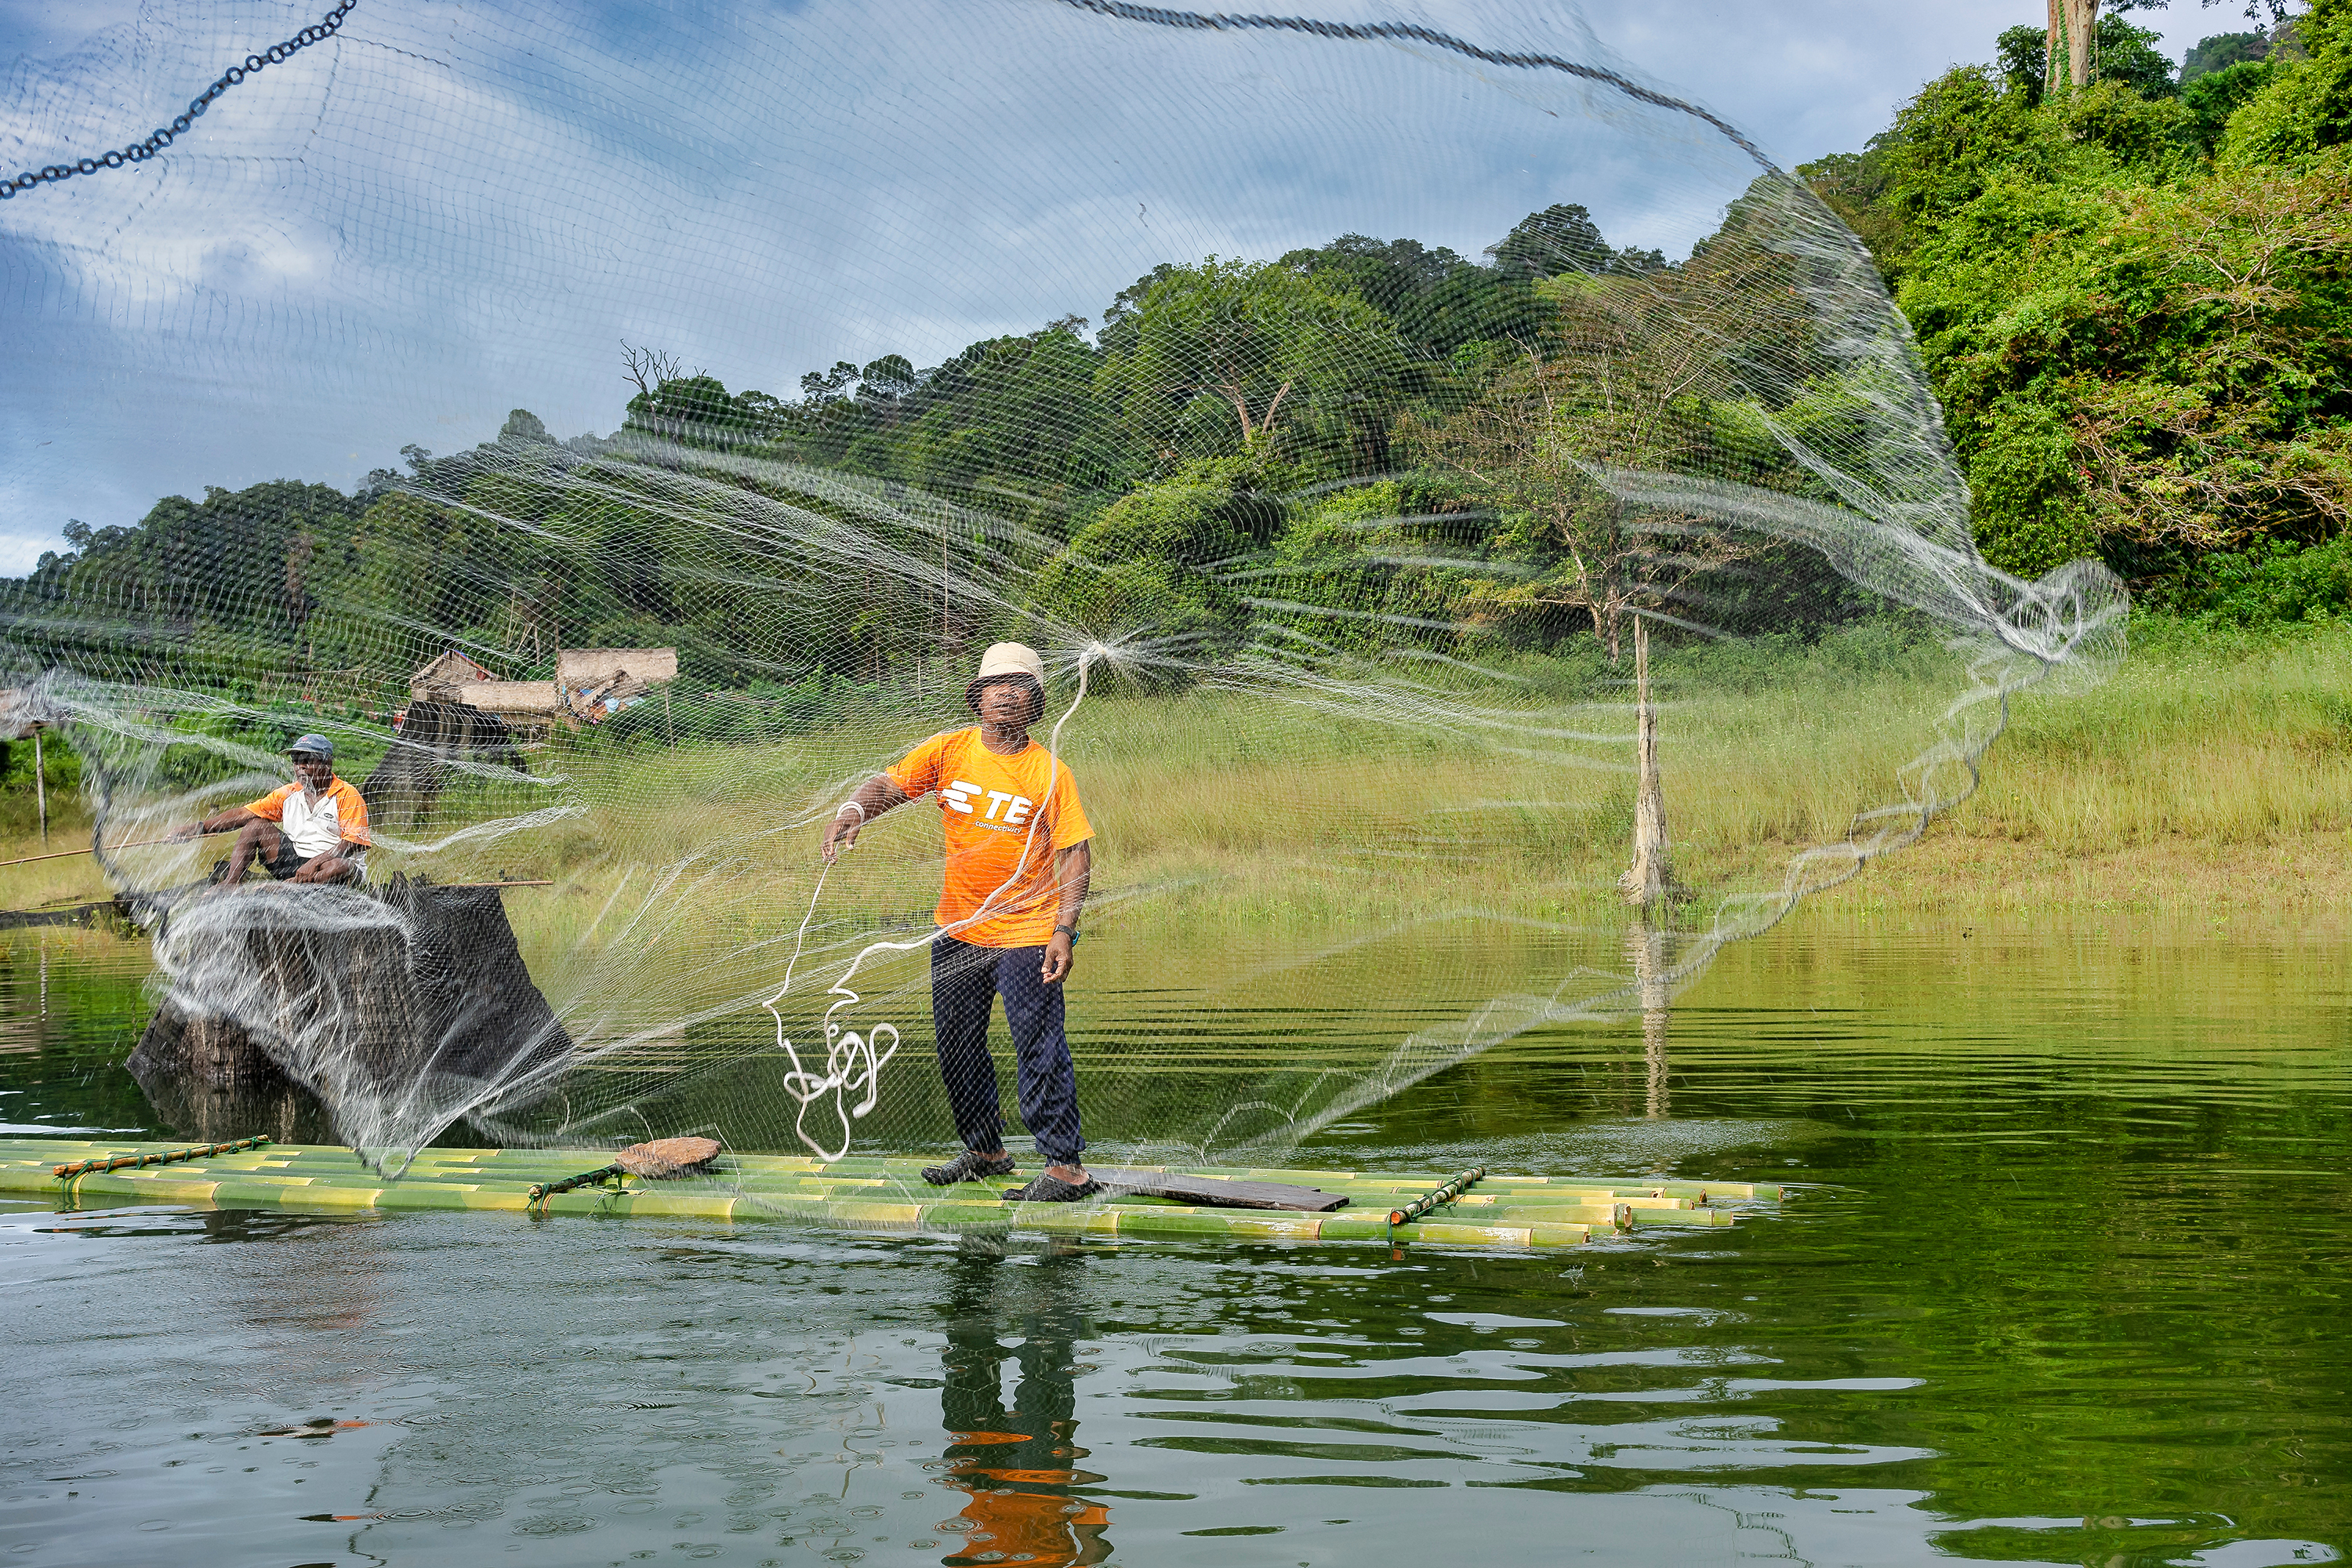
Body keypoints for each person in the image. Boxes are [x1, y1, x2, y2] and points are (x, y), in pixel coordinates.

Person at [823, 643, 1097, 1201]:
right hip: (957, 930)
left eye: (1018, 684)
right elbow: (889, 786)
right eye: (994, 684)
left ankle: (1066, 1169)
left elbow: (1076, 854)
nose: (1004, 693)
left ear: (1035, 701)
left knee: (1038, 1047)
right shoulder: (949, 752)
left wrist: (1064, 930)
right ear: (977, 697)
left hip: (1028, 932)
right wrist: (853, 810)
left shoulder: (1049, 771)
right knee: (957, 1046)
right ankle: (986, 1152)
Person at [177, 733, 369, 886]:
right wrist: (200, 827)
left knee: (339, 866)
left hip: (328, 867)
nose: (299, 767)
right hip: (296, 862)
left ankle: (292, 885)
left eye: (307, 760)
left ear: (327, 764)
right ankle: (230, 883)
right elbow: (245, 814)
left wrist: (315, 863)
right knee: (256, 825)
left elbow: (353, 843)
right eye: (296, 761)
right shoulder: (288, 794)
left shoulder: (346, 794)